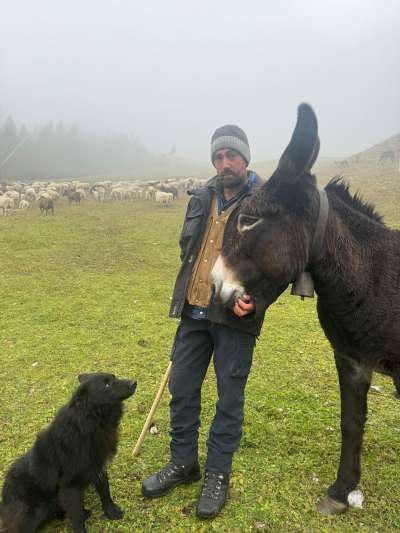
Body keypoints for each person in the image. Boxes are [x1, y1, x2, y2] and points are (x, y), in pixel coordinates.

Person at [141, 125, 271, 519]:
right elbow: (189, 250)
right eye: (218, 157)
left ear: (245, 158)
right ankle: (183, 463)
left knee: (228, 399)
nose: (224, 163)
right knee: (181, 390)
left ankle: (217, 474)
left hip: (233, 318)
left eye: (231, 155)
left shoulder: (265, 204)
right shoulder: (200, 196)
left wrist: (258, 299)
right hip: (193, 313)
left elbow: (278, 264)